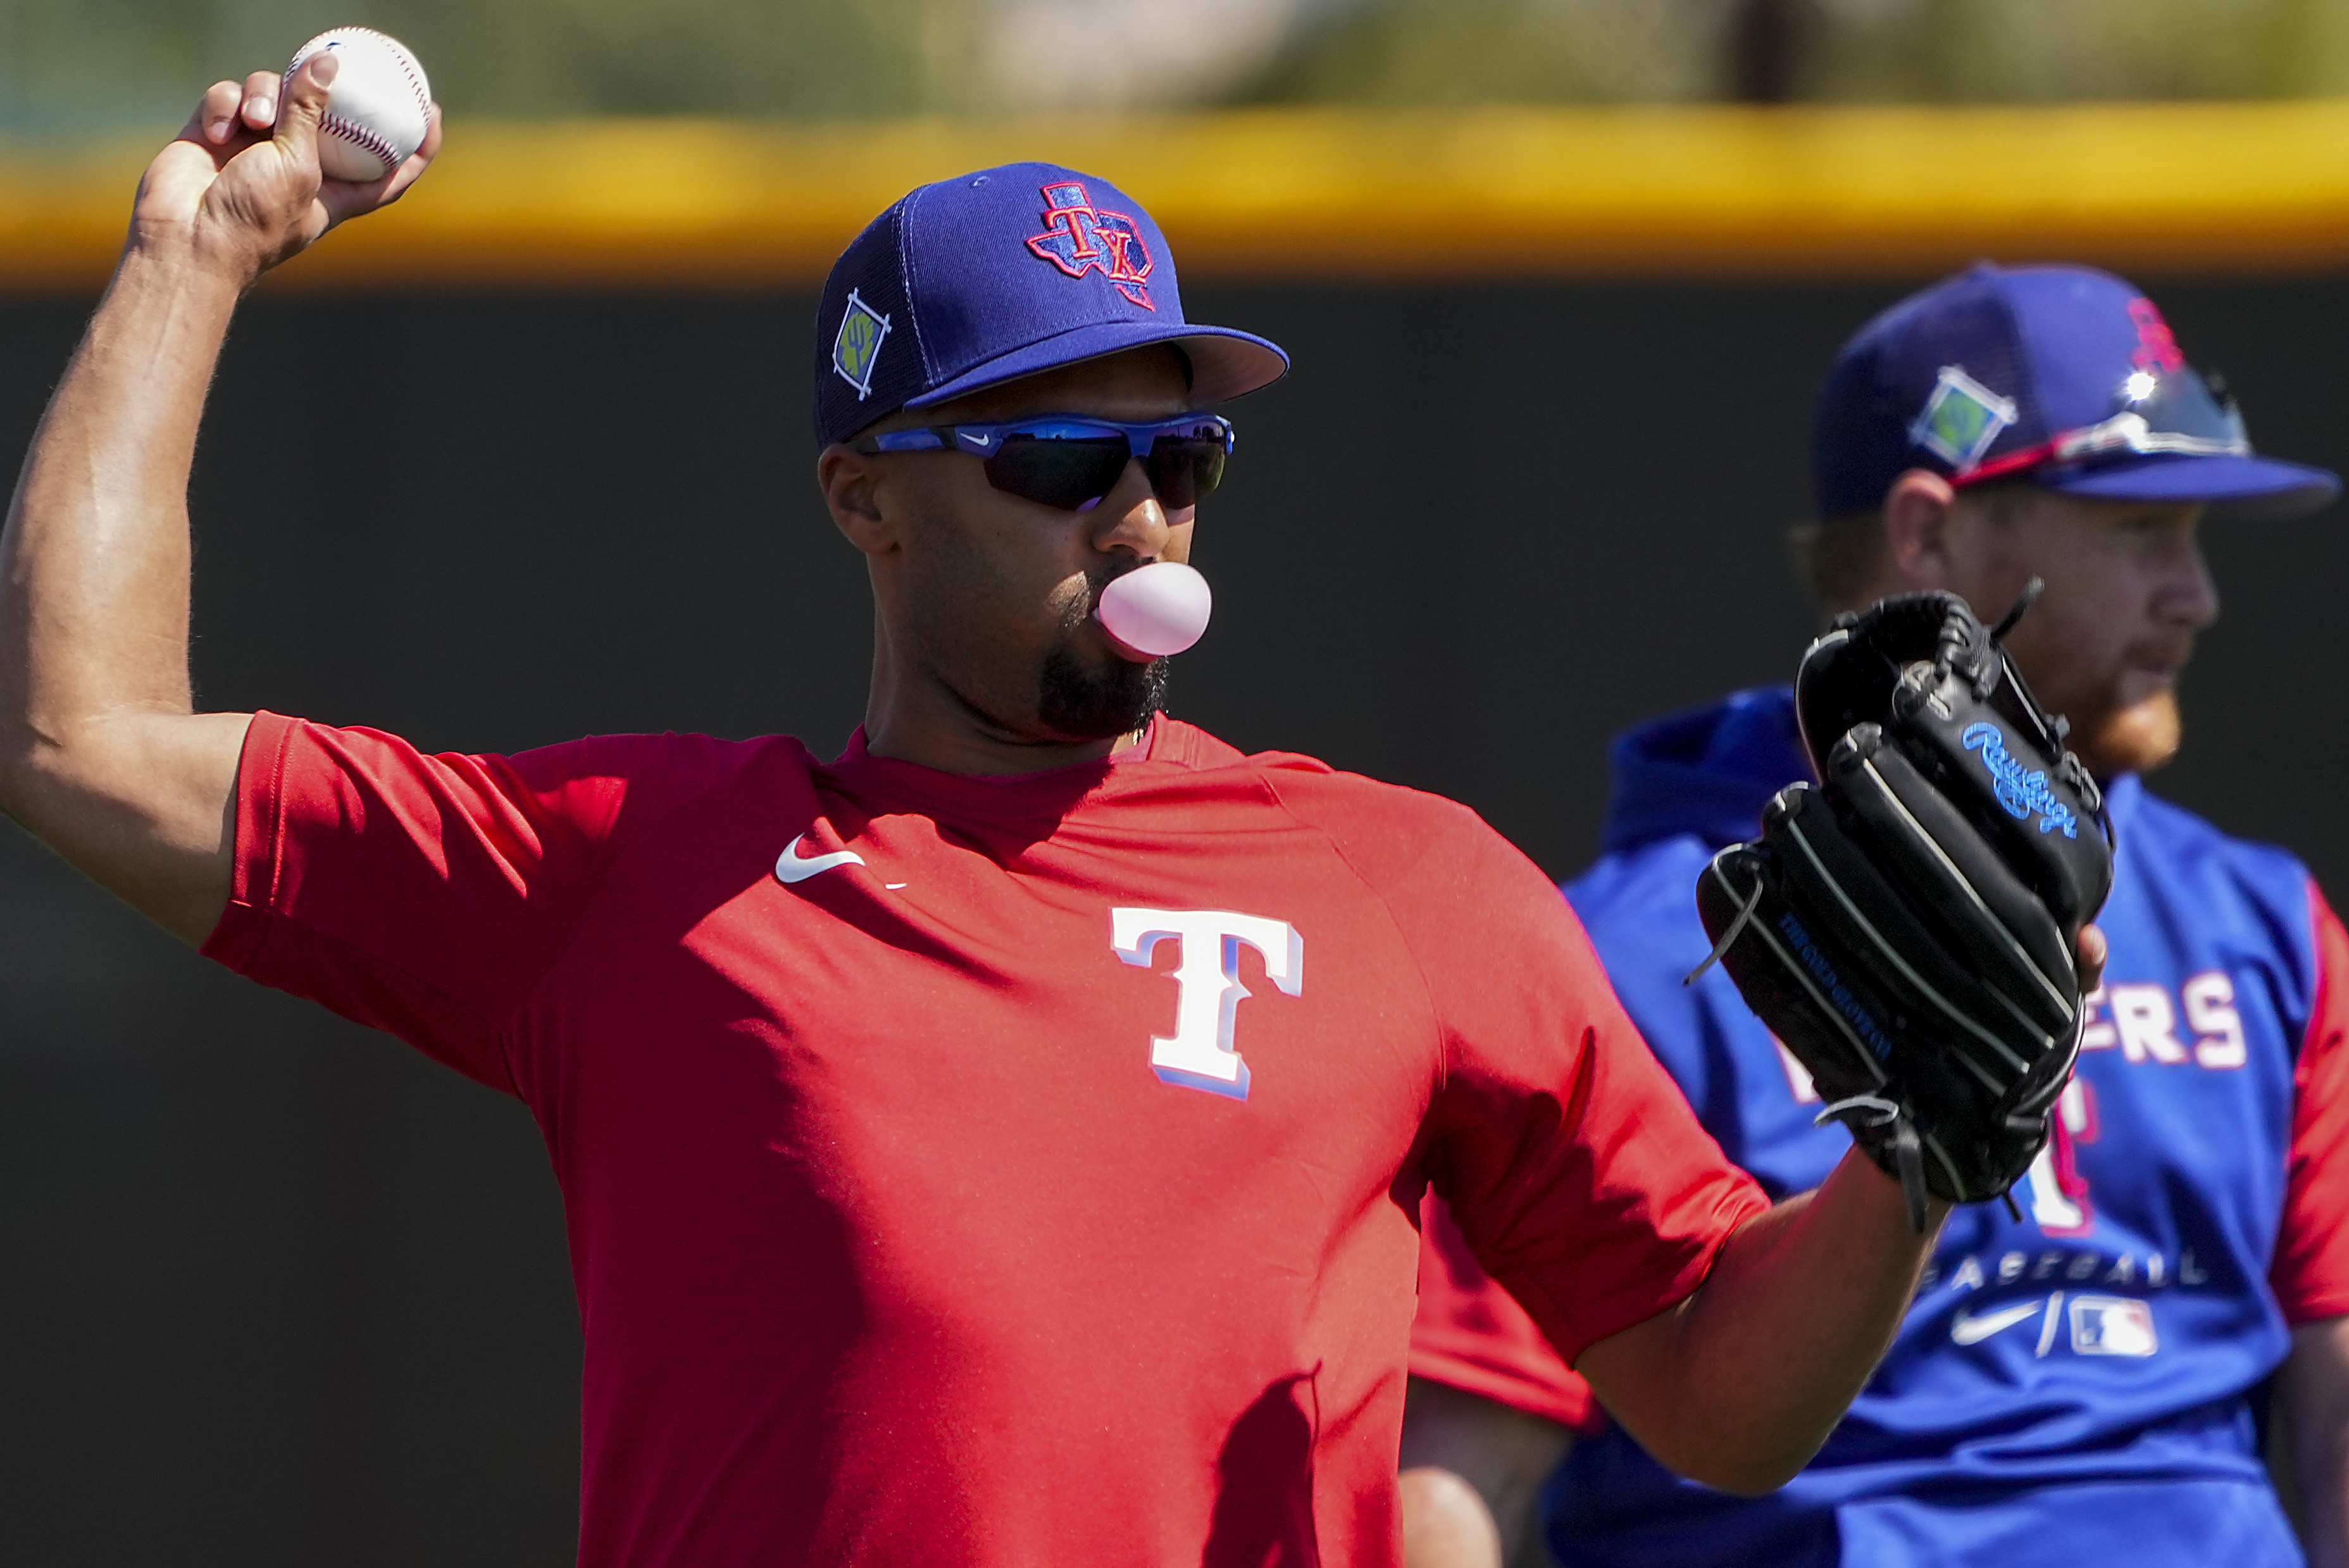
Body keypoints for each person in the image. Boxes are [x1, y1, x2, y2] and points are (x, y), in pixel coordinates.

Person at [0, 60, 2086, 1566]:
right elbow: (86, 743)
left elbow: (1722, 1396)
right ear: (866, 495)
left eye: (1181, 454)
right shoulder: (639, 868)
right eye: (1063, 451)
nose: (1141, 506)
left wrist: (1904, 1165)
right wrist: (197, 257)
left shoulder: (1405, 877)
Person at [1398, 263, 2349, 1568]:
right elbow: (1458, 1483)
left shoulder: (2266, 927)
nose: (2195, 596)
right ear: (1926, 538)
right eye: (2140, 533)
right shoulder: (1615, 958)